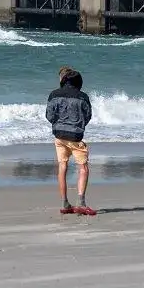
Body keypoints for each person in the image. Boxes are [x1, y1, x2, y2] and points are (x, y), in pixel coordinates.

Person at [46, 66, 95, 215]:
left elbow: (49, 115)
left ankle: (65, 203)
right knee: (83, 168)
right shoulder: (83, 97)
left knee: (62, 167)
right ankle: (81, 202)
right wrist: (79, 126)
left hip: (59, 135)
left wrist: (58, 123)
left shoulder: (54, 94)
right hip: (75, 136)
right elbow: (88, 116)